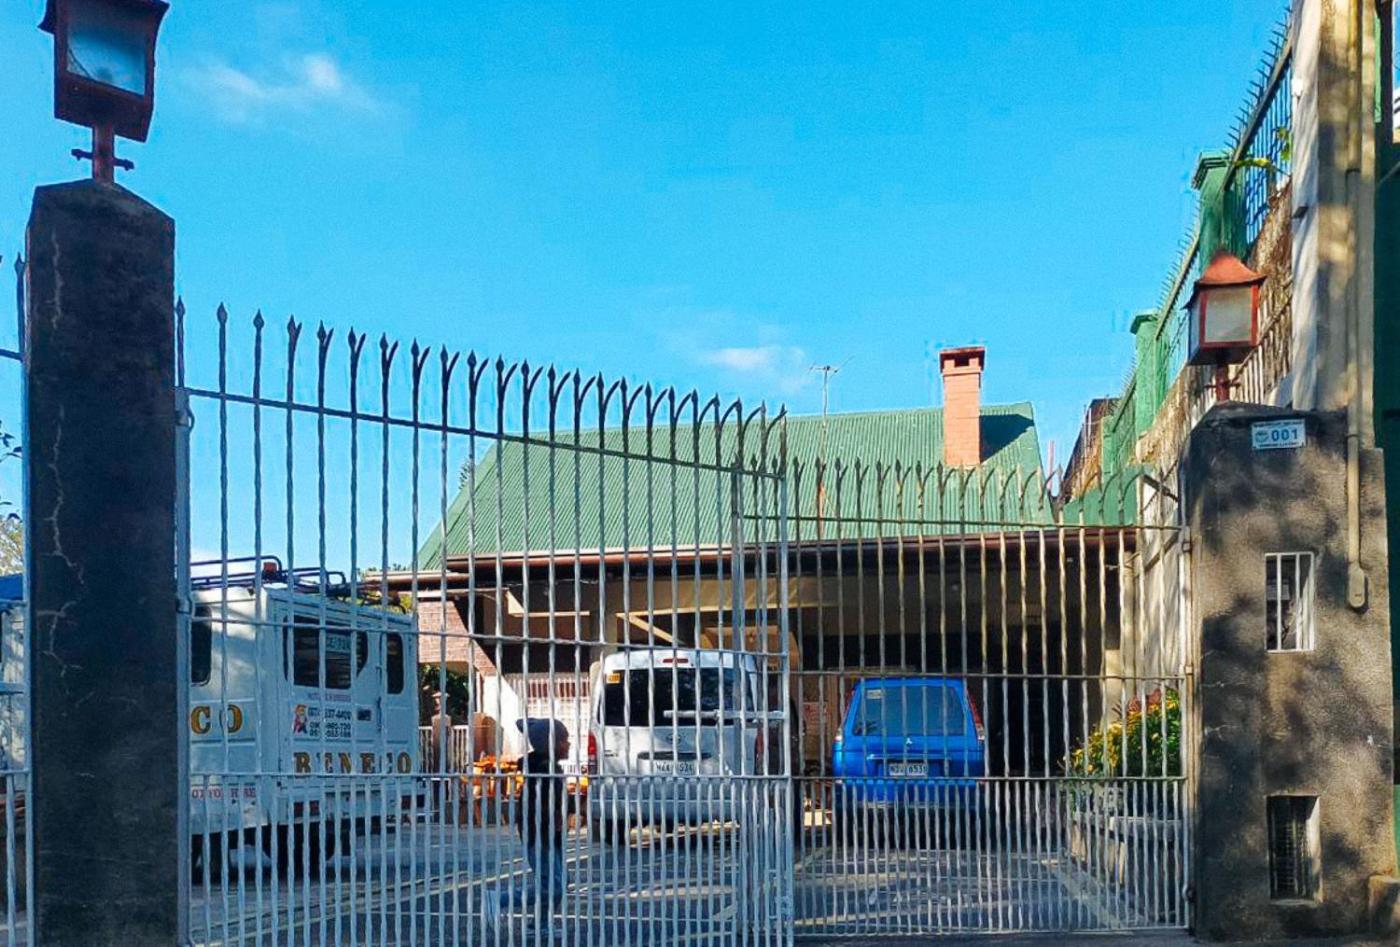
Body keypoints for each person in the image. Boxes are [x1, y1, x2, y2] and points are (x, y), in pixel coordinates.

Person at [484, 718, 570, 932]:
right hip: (540, 834)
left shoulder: (549, 768)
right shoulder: (542, 770)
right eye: (563, 740)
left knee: (559, 882)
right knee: (553, 885)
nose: (568, 744)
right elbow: (538, 805)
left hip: (550, 833)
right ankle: (499, 899)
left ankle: (540, 924)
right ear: (551, 744)